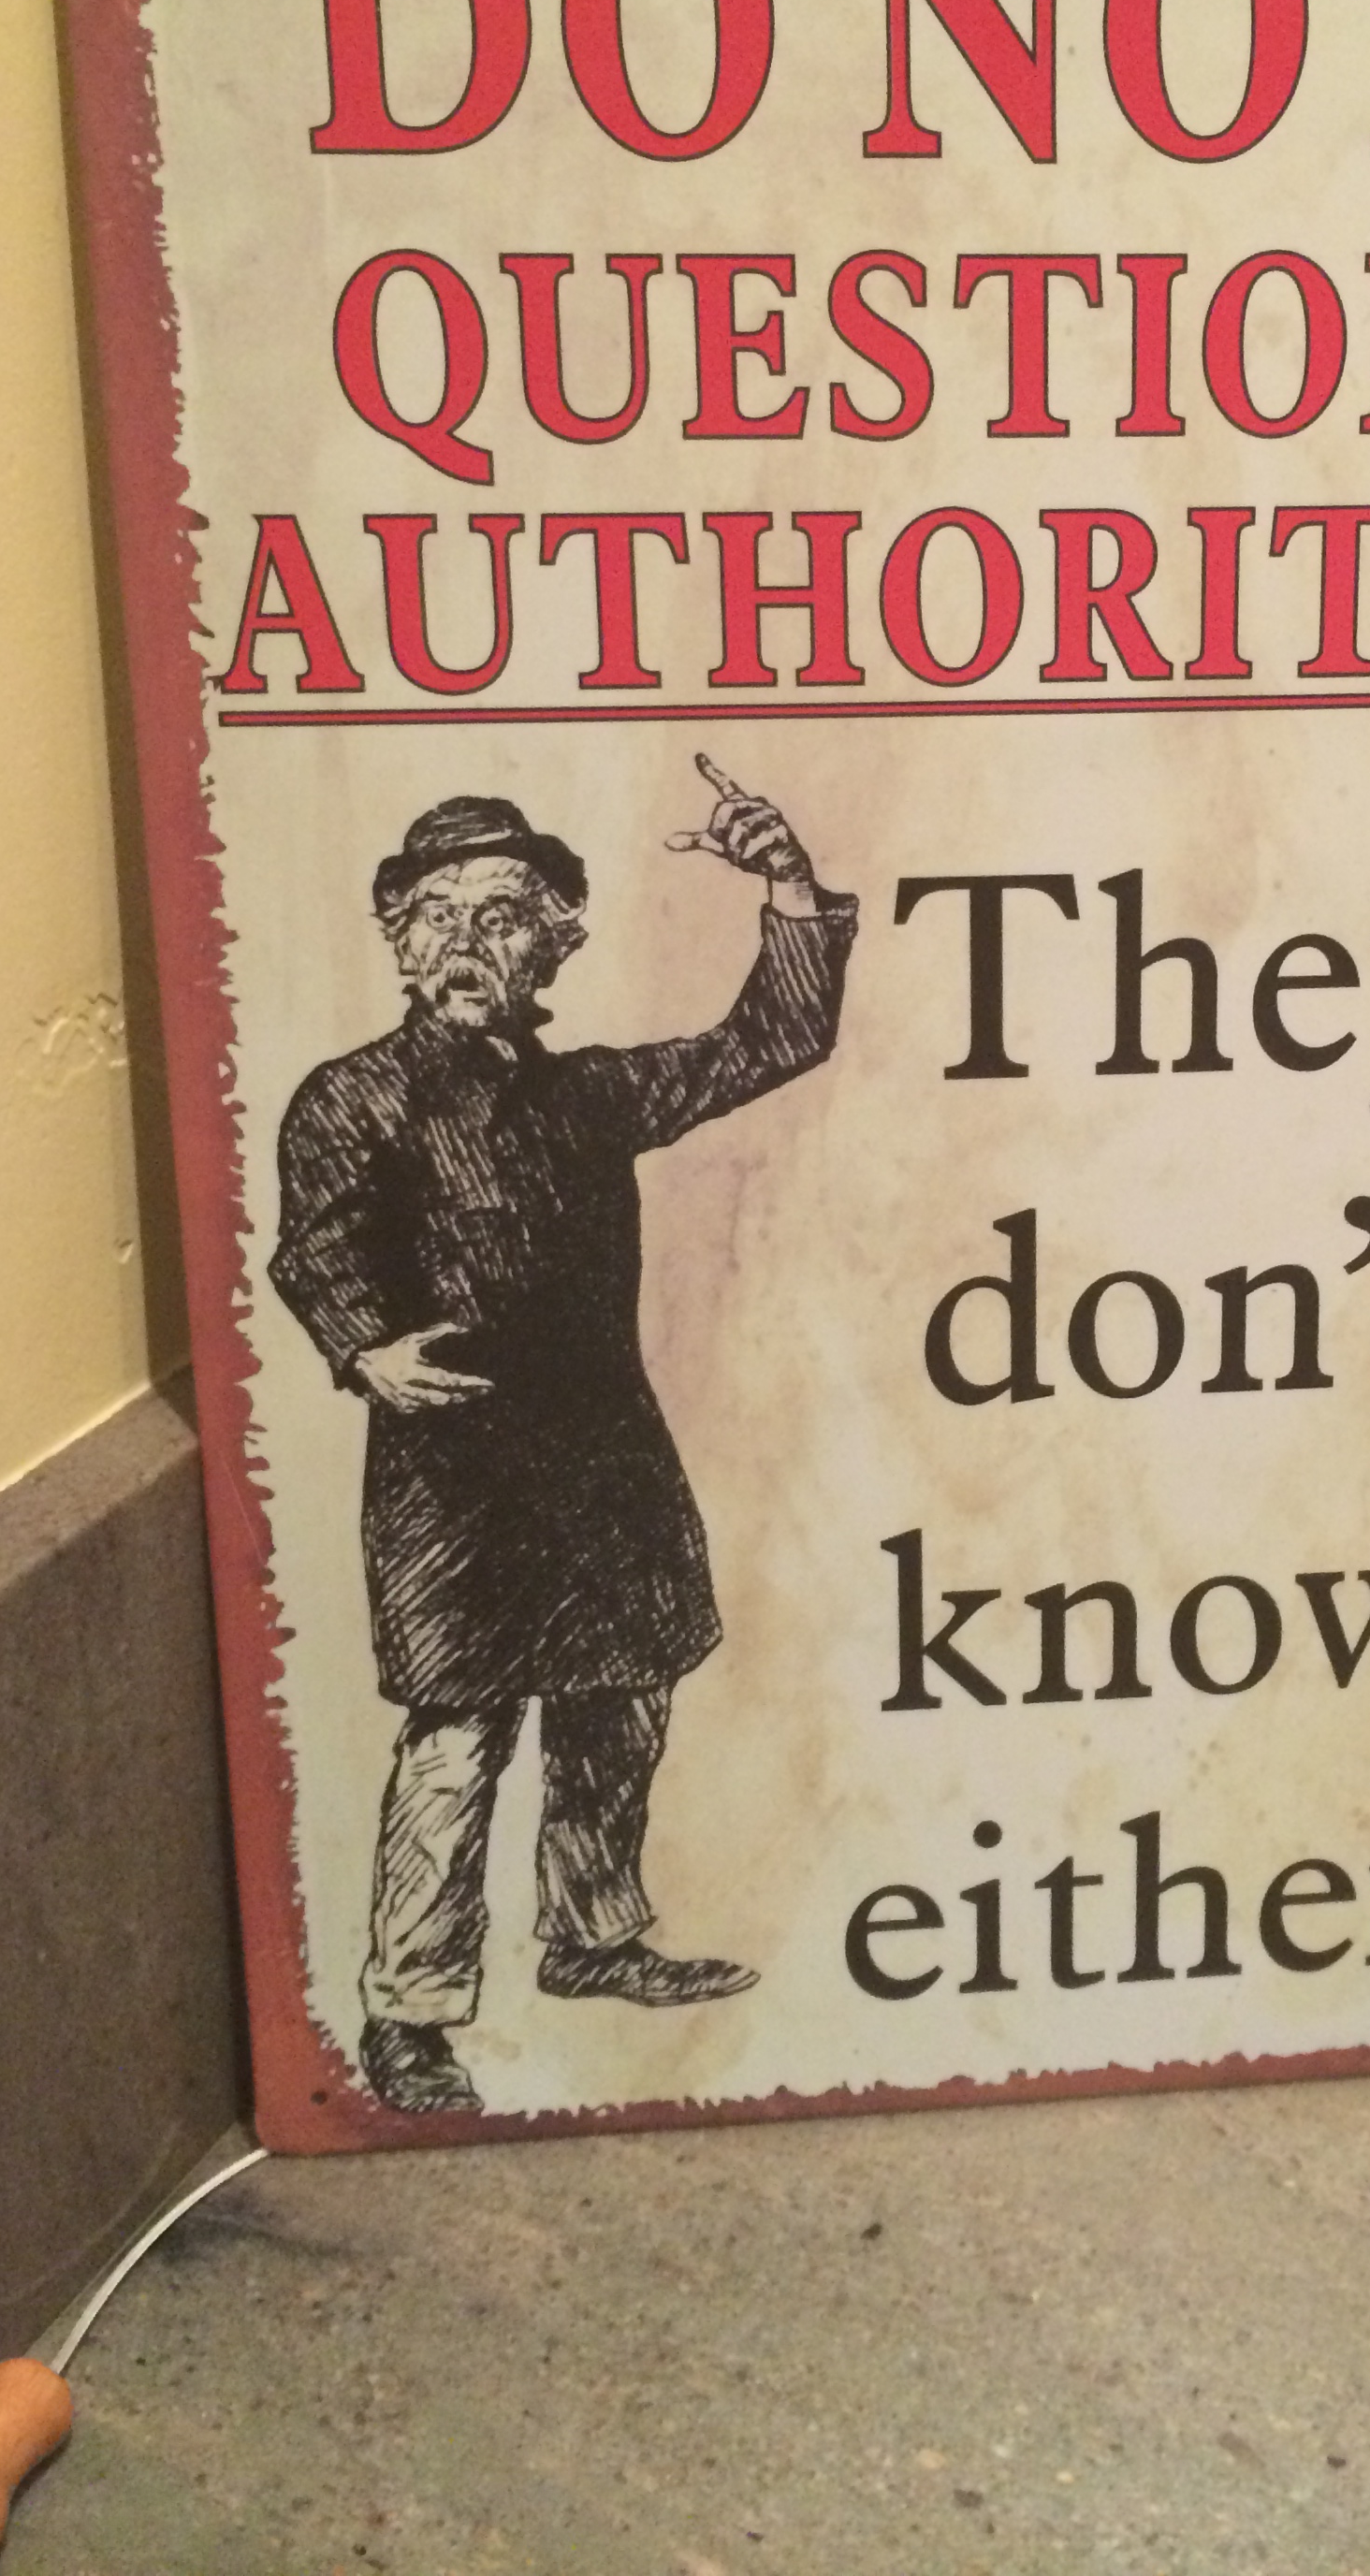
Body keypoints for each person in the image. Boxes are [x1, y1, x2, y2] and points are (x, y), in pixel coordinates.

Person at [270, 761, 855, 2115]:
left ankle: (593, 1937)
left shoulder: (588, 1094)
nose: (465, 942)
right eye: (437, 917)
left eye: (500, 916)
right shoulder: (350, 1098)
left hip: (602, 1465)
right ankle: (411, 2011)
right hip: (454, 1480)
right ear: (399, 940)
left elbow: (770, 1040)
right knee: (455, 1743)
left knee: (620, 1705)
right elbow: (314, 1249)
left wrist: (786, 882)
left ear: (555, 940)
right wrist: (365, 1348)